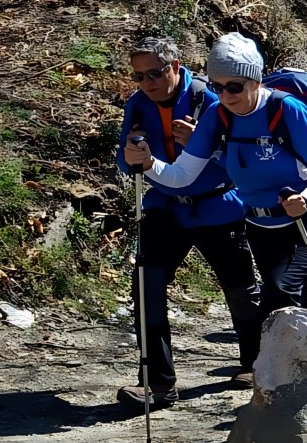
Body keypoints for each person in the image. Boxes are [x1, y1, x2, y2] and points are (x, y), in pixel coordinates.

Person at [124, 33, 307, 330]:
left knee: (282, 292)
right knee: (288, 300)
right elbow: (182, 176)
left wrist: (306, 198)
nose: (226, 96)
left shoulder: (286, 109)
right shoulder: (217, 115)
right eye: (217, 87)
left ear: (256, 80)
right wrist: (149, 164)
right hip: (261, 225)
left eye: (234, 86)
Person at [114, 37, 261, 410]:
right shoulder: (137, 105)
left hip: (217, 206)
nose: (147, 83)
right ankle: (157, 383)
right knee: (146, 288)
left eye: (154, 73)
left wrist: (205, 145)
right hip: (164, 207)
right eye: (139, 76)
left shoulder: (212, 99)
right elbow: (123, 161)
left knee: (241, 291)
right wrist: (132, 158)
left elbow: (243, 159)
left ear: (175, 66)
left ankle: (255, 365)